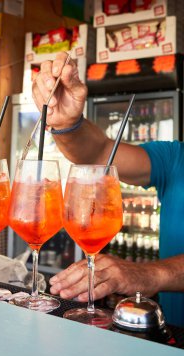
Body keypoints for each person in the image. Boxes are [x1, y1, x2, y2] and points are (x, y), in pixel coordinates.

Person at [32, 51, 184, 327]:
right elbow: (100, 152)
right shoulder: (176, 158)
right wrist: (66, 122)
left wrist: (154, 274)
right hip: (172, 337)